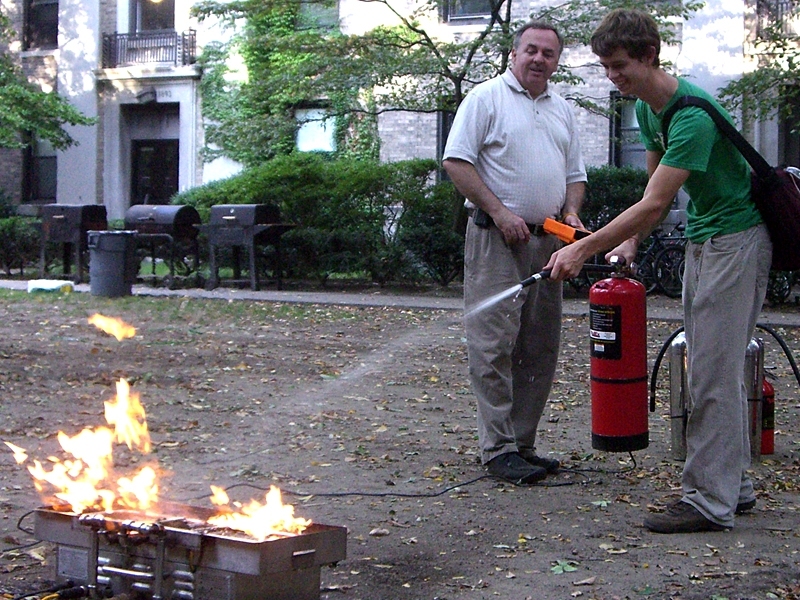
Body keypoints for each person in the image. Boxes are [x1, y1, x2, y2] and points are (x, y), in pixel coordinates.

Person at [545, 9, 771, 532]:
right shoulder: (650, 107)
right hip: (704, 239)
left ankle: (707, 503)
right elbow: (653, 190)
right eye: (605, 67)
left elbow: (653, 203)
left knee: (714, 372)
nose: (612, 77)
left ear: (649, 55)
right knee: (711, 366)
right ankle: (733, 487)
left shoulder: (692, 113)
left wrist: (584, 249)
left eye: (619, 65)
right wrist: (627, 243)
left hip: (735, 241)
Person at [443, 20, 587, 485]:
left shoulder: (562, 109)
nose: (539, 59)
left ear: (557, 61)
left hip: (548, 245)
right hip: (495, 239)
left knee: (539, 345)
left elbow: (575, 175)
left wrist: (571, 212)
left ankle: (523, 444)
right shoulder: (485, 99)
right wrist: (501, 212)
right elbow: (456, 161)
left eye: (548, 53)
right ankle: (498, 448)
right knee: (493, 345)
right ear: (513, 54)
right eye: (531, 50)